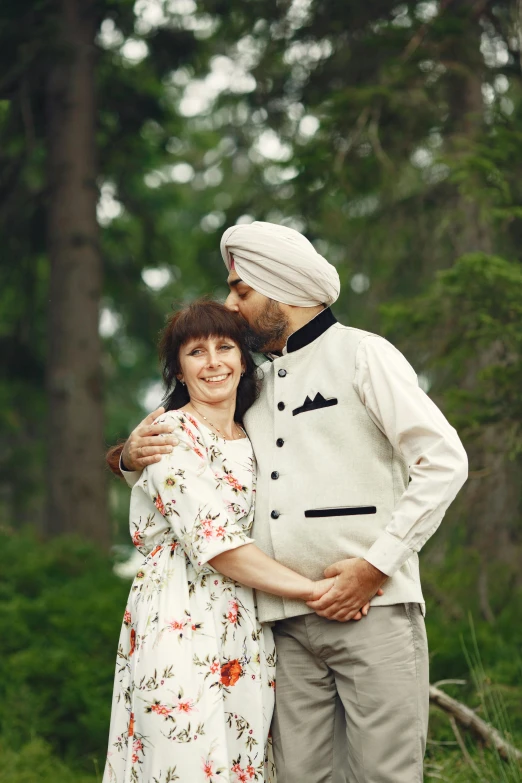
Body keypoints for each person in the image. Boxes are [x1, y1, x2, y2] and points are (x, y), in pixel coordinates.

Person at [108, 222, 468, 783]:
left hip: (370, 611)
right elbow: (185, 441)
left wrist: (374, 569)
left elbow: (444, 461)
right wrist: (126, 455)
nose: (231, 303)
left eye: (241, 290)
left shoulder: (363, 354)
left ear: (281, 289)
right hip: (278, 630)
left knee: (385, 775)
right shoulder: (250, 381)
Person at [103, 298, 347, 783]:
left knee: (242, 757)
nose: (213, 362)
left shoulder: (257, 432)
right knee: (184, 755)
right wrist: (315, 591)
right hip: (180, 615)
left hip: (247, 623)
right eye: (196, 352)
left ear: (243, 358)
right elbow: (217, 544)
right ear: (178, 367)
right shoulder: (168, 434)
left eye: (225, 347)